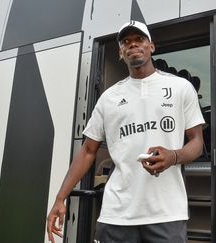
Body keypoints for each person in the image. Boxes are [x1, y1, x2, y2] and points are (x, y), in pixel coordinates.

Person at [46, 20, 205, 243]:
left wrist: (173, 156)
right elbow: (88, 151)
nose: (133, 45)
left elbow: (197, 142)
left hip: (167, 214)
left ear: (151, 46)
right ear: (121, 53)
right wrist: (60, 198)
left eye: (139, 39)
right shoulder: (108, 98)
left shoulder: (180, 88)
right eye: (126, 42)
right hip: (116, 215)